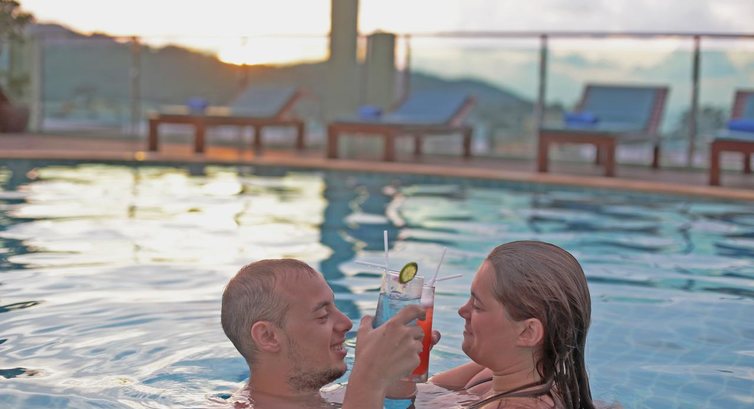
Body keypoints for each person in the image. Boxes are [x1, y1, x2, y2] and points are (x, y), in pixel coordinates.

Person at [220, 258, 426, 409]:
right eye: (322, 316)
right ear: (268, 336)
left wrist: (399, 378)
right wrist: (370, 375)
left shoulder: (338, 397)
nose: (346, 323)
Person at [425, 240, 596, 409]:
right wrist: (413, 362)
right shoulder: (496, 374)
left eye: (477, 305)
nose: (462, 311)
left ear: (528, 332)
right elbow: (426, 389)